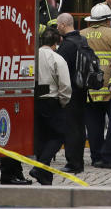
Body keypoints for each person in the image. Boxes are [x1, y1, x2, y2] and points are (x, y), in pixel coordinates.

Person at [54, 12, 96, 174]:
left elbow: (60, 68)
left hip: (70, 89)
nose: (57, 28)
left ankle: (73, 162)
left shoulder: (67, 45)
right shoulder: (82, 40)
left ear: (63, 25)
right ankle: (78, 161)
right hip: (82, 89)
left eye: (58, 25)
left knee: (71, 127)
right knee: (79, 126)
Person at [30, 27, 71, 185]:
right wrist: (63, 101)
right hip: (52, 100)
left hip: (35, 100)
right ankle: (40, 168)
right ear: (56, 42)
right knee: (57, 136)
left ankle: (45, 176)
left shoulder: (33, 56)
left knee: (41, 138)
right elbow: (65, 85)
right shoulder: (57, 59)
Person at [82, 3, 111, 168]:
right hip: (110, 87)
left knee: (94, 126)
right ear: (108, 20)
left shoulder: (82, 35)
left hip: (90, 88)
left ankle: (96, 157)